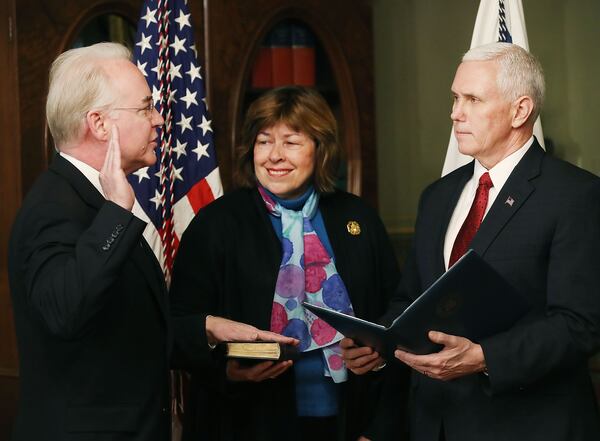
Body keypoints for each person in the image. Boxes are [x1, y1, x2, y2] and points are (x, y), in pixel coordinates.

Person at [8, 42, 293, 441]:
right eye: (145, 108)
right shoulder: (56, 205)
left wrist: (206, 329)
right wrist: (116, 215)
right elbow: (64, 312)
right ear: (99, 123)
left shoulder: (98, 196)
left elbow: (124, 329)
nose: (159, 120)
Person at [343, 42, 600, 441]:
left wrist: (484, 358)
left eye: (472, 99)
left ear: (520, 110)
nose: (454, 112)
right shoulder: (438, 195)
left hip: (529, 425)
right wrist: (379, 341)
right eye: (455, 98)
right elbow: (410, 298)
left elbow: (580, 324)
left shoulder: (575, 195)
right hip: (435, 422)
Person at [169, 86, 406, 440]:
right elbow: (177, 329)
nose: (274, 156)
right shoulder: (215, 224)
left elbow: (397, 317)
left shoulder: (358, 218)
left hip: (351, 420)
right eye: (264, 142)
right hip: (244, 422)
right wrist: (227, 371)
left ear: (320, 150)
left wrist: (380, 361)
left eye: (291, 142)